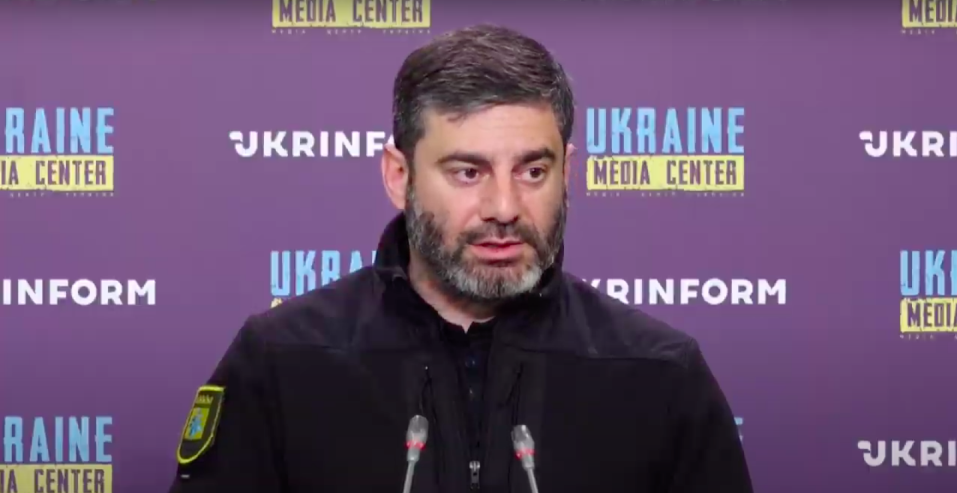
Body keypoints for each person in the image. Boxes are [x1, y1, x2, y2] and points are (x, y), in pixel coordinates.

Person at [167, 24, 753, 493]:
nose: (504, 207)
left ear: (568, 173)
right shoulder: (280, 361)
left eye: (533, 171)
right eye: (468, 172)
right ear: (399, 176)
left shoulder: (660, 373)